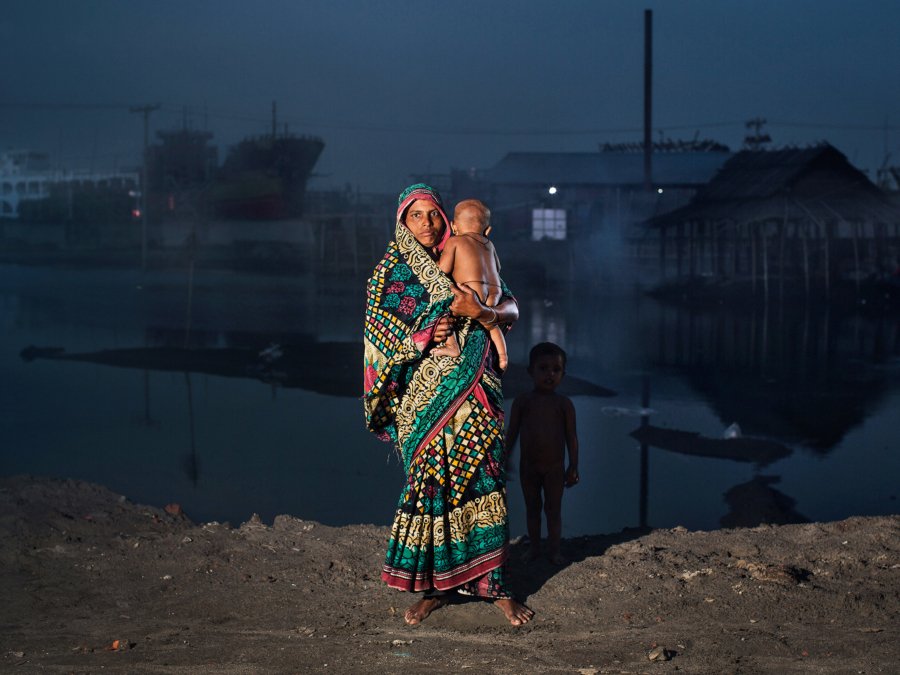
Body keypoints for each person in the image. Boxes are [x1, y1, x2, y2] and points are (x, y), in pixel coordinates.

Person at [363, 183, 533, 627]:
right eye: (416, 216)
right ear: (402, 222)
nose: (426, 223)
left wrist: (484, 316)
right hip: (424, 395)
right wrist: (424, 336)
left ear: (447, 219)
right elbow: (381, 335)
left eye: (433, 214)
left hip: (477, 379)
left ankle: (494, 585)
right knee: (431, 481)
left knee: (485, 471)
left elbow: (510, 307)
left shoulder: (471, 251)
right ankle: (433, 589)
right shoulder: (390, 273)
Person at [505, 342, 580, 565]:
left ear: (563, 374)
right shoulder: (523, 402)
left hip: (554, 468)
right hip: (529, 467)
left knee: (553, 510)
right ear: (531, 371)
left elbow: (571, 437)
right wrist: (505, 458)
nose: (550, 374)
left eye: (556, 370)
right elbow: (512, 433)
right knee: (533, 509)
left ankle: (554, 550)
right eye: (543, 368)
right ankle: (535, 548)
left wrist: (573, 466)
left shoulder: (564, 404)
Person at [431, 199, 508, 372]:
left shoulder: (455, 241)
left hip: (471, 289)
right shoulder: (490, 245)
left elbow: (442, 269)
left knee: (443, 310)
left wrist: (435, 259)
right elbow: (498, 267)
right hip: (494, 291)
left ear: (453, 226)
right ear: (488, 230)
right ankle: (503, 357)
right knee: (491, 324)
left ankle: (452, 346)